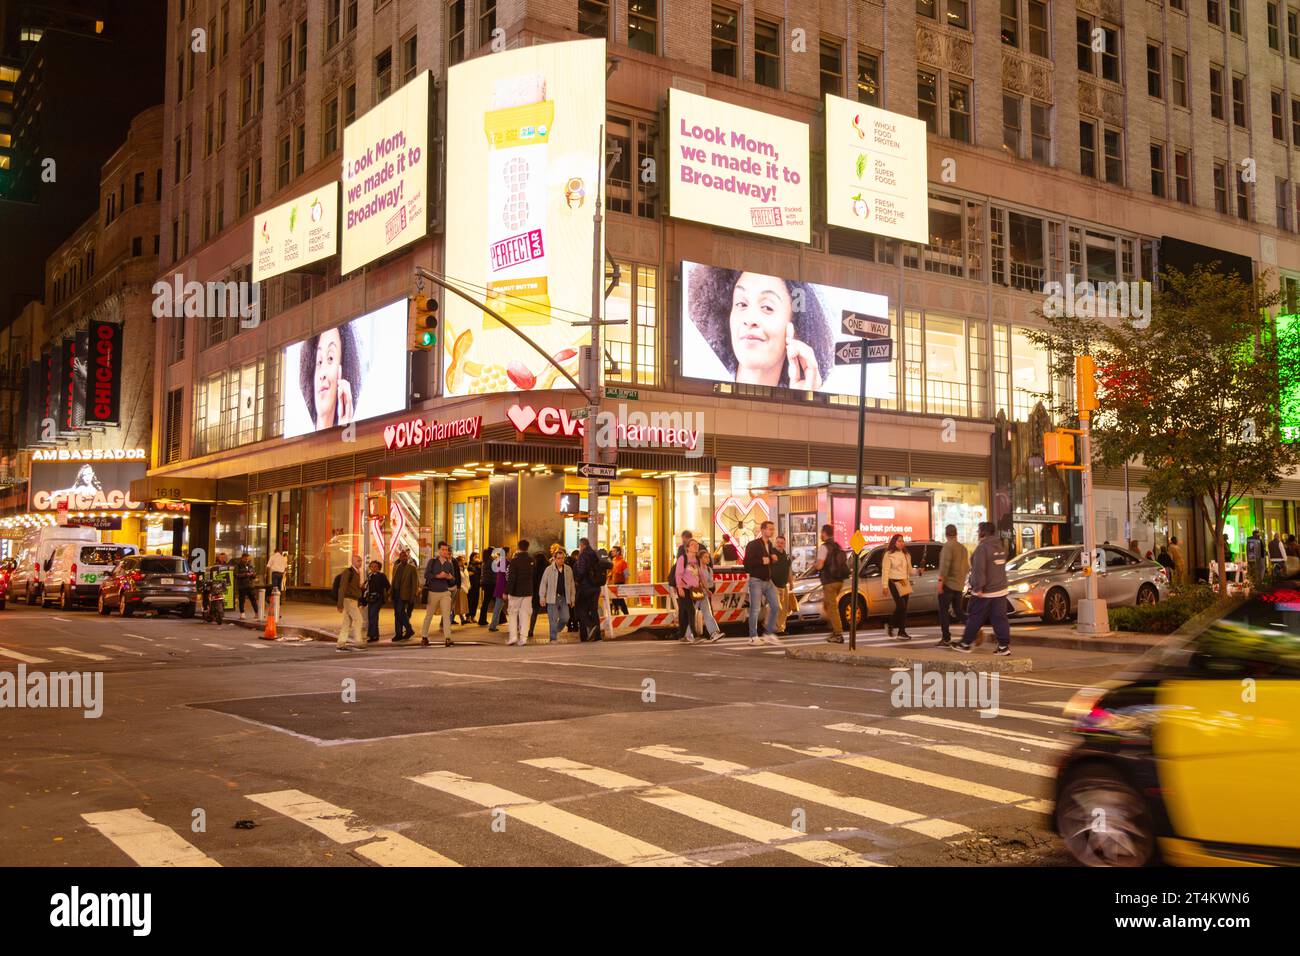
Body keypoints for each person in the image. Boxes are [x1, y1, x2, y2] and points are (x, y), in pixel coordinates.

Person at [686, 266, 834, 390]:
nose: (749, 320)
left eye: (767, 307)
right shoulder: (694, 384)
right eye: (741, 304)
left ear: (795, 328)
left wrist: (801, 401)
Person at [953, 522, 1011, 656]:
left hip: (986, 591)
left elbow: (979, 569)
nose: (977, 533)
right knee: (1000, 619)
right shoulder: (1001, 546)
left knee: (975, 617)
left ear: (983, 532)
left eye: (978, 531)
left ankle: (965, 643)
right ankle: (1003, 646)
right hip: (1001, 589)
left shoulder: (982, 548)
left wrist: (978, 587)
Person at [298, 324, 360, 431]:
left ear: (343, 371)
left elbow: (350, 444)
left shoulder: (350, 428)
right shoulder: (299, 428)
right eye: (319, 361)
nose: (322, 374)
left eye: (330, 358)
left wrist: (345, 428)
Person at [742, 520, 782, 646]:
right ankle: (753, 636)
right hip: (756, 580)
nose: (771, 531)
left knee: (775, 606)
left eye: (773, 529)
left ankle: (769, 633)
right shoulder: (753, 545)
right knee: (755, 609)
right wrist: (765, 560)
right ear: (763, 530)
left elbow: (768, 560)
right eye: (769, 529)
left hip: (768, 581)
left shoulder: (769, 544)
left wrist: (770, 560)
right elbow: (747, 563)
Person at [812, 524, 850, 643]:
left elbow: (820, 565)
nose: (820, 535)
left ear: (824, 533)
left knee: (832, 608)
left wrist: (814, 565)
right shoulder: (837, 546)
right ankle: (834, 627)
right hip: (839, 581)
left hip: (829, 581)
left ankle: (837, 633)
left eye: (821, 533)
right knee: (827, 606)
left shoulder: (824, 547)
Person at [936, 524, 970, 648]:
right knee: (958, 611)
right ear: (956, 534)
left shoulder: (948, 547)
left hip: (948, 584)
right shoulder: (963, 548)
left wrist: (940, 583)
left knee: (943, 612)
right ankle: (974, 628)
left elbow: (945, 566)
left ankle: (946, 638)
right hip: (959, 585)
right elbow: (967, 567)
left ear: (946, 534)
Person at [421, 542, 457, 647]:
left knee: (446, 616)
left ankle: (447, 638)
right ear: (438, 551)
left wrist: (450, 578)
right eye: (443, 549)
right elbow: (426, 574)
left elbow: (453, 581)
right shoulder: (432, 562)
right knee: (429, 616)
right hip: (433, 592)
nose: (445, 552)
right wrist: (438, 576)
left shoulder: (449, 564)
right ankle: (424, 637)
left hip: (445, 592)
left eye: (447, 550)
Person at [882, 534, 915, 641]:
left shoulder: (906, 554)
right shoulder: (889, 554)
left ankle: (902, 631)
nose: (901, 543)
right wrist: (885, 586)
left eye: (902, 541)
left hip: (904, 582)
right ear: (894, 542)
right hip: (894, 581)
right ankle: (890, 624)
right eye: (899, 541)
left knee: (904, 608)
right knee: (901, 606)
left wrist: (918, 570)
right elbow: (885, 571)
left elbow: (910, 570)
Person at [539, 548, 575, 643]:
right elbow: (543, 583)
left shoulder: (568, 569)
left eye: (562, 558)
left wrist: (572, 598)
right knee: (553, 619)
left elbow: (571, 585)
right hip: (552, 598)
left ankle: (556, 630)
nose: (561, 560)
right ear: (554, 559)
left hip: (564, 598)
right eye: (559, 558)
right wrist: (542, 597)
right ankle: (553, 638)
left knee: (565, 618)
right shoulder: (549, 569)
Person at [674, 539, 706, 643]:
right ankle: (695, 636)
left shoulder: (696, 559)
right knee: (691, 610)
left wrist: (706, 588)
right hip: (684, 589)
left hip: (694, 589)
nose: (695, 546)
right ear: (687, 547)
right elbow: (678, 574)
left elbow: (700, 574)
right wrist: (679, 587)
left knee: (684, 613)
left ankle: (682, 635)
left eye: (696, 545)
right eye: (692, 545)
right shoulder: (682, 559)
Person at [505, 541, 535, 646]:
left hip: (515, 592)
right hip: (528, 592)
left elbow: (512, 578)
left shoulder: (515, 561)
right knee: (525, 615)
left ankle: (513, 637)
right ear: (528, 547)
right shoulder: (531, 560)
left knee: (513, 614)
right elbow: (534, 578)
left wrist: (506, 591)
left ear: (518, 547)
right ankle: (523, 639)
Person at [573, 538, 602, 642]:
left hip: (585, 587)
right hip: (596, 587)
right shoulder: (595, 554)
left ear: (582, 545)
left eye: (580, 546)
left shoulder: (583, 555)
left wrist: (577, 581)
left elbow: (581, 571)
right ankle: (597, 636)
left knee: (579, 609)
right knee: (594, 611)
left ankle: (588, 629)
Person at [335, 554, 366, 652]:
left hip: (353, 600)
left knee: (347, 623)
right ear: (352, 561)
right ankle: (358, 642)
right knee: (359, 620)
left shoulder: (357, 572)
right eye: (358, 561)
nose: (360, 562)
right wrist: (340, 604)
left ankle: (340, 644)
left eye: (360, 561)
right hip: (349, 600)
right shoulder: (348, 572)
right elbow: (342, 588)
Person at [390, 548, 419, 641]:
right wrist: (390, 592)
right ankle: (399, 633)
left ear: (407, 557)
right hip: (396, 593)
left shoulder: (412, 568)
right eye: (402, 556)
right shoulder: (396, 567)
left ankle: (409, 629)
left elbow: (415, 584)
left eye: (405, 556)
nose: (403, 558)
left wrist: (413, 596)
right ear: (399, 557)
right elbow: (393, 581)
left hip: (405, 594)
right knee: (397, 614)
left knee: (400, 612)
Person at [362, 559, 390, 642]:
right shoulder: (369, 576)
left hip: (378, 598)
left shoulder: (381, 576)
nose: (373, 568)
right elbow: (366, 587)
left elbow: (388, 586)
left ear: (379, 568)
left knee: (373, 616)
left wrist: (387, 596)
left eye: (375, 566)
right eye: (372, 566)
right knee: (371, 616)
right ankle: (374, 635)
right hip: (370, 599)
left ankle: (373, 635)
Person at [771, 535, 794, 634]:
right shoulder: (771, 554)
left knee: (784, 609)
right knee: (777, 607)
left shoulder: (787, 556)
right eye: (778, 542)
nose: (779, 544)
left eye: (781, 543)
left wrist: (791, 582)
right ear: (775, 543)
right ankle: (774, 628)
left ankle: (780, 629)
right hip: (773, 585)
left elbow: (789, 570)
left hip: (783, 585)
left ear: (784, 544)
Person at [527, 545, 548, 639]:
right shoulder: (547, 569)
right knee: (552, 614)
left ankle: (531, 630)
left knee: (534, 613)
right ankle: (553, 631)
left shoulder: (533, 569)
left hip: (535, 593)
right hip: (546, 593)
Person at [488, 547, 509, 631]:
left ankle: (493, 625)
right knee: (498, 607)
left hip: (499, 586)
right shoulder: (505, 562)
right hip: (503, 587)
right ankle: (493, 626)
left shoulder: (500, 561)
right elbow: (506, 576)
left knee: (498, 607)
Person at [234, 552, 259, 619]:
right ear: (242, 558)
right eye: (246, 559)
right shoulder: (238, 565)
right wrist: (245, 575)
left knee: (253, 599)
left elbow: (253, 573)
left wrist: (253, 575)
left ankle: (257, 613)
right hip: (242, 586)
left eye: (248, 559)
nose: (247, 560)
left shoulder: (250, 565)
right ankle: (242, 614)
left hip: (250, 585)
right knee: (242, 600)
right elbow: (236, 575)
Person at [477, 548, 497, 625]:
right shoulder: (491, 561)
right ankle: (500, 619)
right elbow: (495, 572)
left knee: (487, 602)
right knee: (497, 601)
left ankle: (482, 620)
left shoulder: (485, 561)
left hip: (487, 583)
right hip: (491, 583)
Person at [608, 546, 629, 614]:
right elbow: (611, 572)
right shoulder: (613, 561)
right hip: (614, 583)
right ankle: (617, 612)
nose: (612, 552)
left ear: (618, 552)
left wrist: (626, 585)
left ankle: (626, 613)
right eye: (612, 551)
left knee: (620, 600)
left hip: (620, 583)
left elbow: (626, 574)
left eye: (614, 551)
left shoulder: (623, 562)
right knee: (615, 599)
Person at [466, 551, 482, 623]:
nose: (477, 558)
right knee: (470, 601)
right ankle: (468, 617)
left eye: (478, 556)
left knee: (476, 601)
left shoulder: (479, 565)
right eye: (475, 556)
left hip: (477, 585)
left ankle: (473, 616)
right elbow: (468, 574)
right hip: (470, 586)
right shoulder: (470, 565)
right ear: (472, 557)